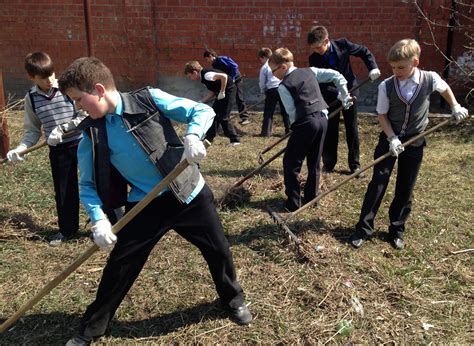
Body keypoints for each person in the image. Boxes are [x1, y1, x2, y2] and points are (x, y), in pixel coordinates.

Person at [58, 57, 252, 345]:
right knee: (120, 266)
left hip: (189, 192)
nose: (78, 107)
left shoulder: (148, 99)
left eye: (78, 99)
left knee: (218, 249)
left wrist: (193, 136)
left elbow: (199, 111)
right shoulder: (92, 133)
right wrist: (98, 218)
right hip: (146, 203)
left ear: (98, 89)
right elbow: (86, 185)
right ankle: (93, 327)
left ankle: (233, 299)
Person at [349, 39, 469, 250]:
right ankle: (363, 229)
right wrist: (392, 138)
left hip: (415, 140)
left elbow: (444, 88)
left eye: (401, 67)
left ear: (415, 61)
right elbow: (382, 115)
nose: (396, 71)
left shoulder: (429, 79)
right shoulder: (387, 85)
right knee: (378, 182)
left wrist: (455, 106)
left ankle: (396, 230)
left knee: (406, 186)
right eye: (393, 67)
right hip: (389, 138)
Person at [6, 52, 82, 246]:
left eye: (51, 74)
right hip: (58, 150)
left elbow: (84, 115)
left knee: (98, 181)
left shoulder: (67, 89)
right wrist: (21, 148)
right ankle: (68, 230)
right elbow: (32, 130)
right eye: (43, 77)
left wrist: (65, 128)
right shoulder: (31, 99)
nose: (50, 80)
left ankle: (114, 223)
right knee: (64, 190)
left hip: (82, 143)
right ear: (32, 78)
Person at [268, 48, 352, 211]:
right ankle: (312, 199)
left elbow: (292, 113)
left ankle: (293, 202)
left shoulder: (283, 86)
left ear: (283, 67)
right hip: (323, 119)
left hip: (306, 122)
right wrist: (344, 94)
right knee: (314, 161)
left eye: (273, 71)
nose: (273, 75)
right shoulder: (310, 71)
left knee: (291, 162)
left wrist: (295, 129)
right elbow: (336, 76)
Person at [308, 26, 381, 175]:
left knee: (351, 128)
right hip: (331, 97)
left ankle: (355, 165)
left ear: (326, 41)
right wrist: (337, 94)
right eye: (313, 48)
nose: (315, 51)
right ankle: (329, 164)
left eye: (318, 47)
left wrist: (372, 67)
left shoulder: (343, 45)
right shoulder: (314, 58)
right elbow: (319, 83)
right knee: (330, 130)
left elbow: (364, 51)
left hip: (351, 92)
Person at [184, 60, 240, 146]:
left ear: (194, 72)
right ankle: (208, 138)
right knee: (213, 115)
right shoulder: (203, 78)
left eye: (190, 76)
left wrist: (222, 92)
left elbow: (224, 76)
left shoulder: (207, 75)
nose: (191, 79)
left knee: (223, 117)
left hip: (229, 91)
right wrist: (201, 101)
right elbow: (212, 92)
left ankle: (235, 140)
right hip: (222, 93)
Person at [203, 48, 250, 125]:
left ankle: (245, 117)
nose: (207, 61)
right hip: (229, 82)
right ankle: (224, 117)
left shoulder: (222, 59)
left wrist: (233, 78)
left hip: (236, 79)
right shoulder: (214, 65)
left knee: (239, 97)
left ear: (210, 56)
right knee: (226, 99)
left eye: (207, 59)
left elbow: (234, 66)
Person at [257, 47, 290, 137]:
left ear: (263, 57)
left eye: (260, 59)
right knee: (285, 110)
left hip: (271, 90)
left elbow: (262, 82)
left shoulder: (264, 67)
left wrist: (263, 91)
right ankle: (289, 130)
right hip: (282, 88)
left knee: (268, 111)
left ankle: (266, 132)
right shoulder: (278, 64)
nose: (261, 61)